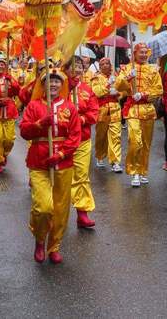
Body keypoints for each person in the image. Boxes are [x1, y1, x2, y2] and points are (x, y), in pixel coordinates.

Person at [20, 61, 81, 264]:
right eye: (49, 81)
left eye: (56, 81)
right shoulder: (34, 106)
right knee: (43, 207)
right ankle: (39, 238)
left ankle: (54, 245)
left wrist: (62, 154)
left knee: (61, 209)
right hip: (39, 163)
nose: (53, 85)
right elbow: (24, 131)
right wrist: (38, 124)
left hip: (63, 164)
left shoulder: (69, 107)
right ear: (42, 84)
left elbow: (75, 136)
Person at [115, 43, 163, 187]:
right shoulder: (127, 68)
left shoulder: (153, 70)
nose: (143, 55)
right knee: (135, 142)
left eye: (145, 52)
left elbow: (159, 90)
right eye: (140, 52)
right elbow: (118, 85)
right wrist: (128, 78)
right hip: (132, 110)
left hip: (147, 110)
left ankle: (143, 171)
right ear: (134, 53)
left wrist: (143, 94)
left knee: (146, 144)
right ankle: (134, 171)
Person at [67, 56, 100, 229]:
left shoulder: (87, 89)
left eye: (79, 66)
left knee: (81, 175)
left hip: (83, 139)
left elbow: (94, 112)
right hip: (62, 141)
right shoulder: (57, 88)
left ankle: (82, 212)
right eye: (73, 66)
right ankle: (56, 214)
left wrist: (82, 118)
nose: (77, 69)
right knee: (61, 178)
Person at [91, 57, 123, 172]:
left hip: (115, 110)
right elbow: (96, 92)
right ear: (99, 67)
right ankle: (100, 155)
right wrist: (107, 86)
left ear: (110, 65)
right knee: (101, 136)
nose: (105, 66)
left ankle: (115, 162)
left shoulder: (117, 76)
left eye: (107, 63)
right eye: (102, 64)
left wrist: (118, 93)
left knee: (116, 136)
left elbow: (124, 91)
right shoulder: (95, 78)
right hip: (102, 111)